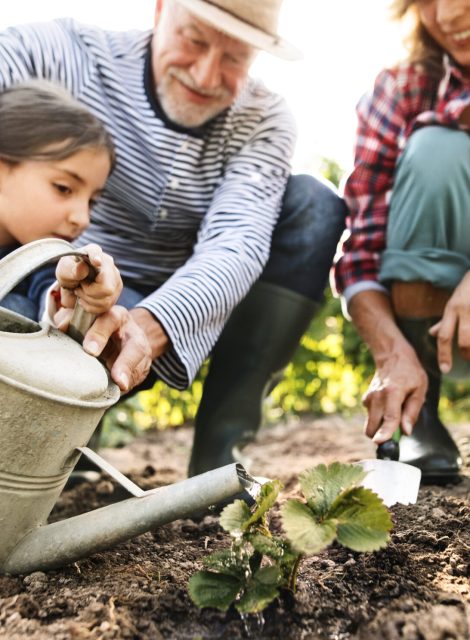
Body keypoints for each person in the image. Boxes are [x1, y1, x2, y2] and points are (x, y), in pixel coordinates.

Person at [0, 0, 346, 477]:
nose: (206, 75)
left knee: (314, 204)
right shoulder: (67, 55)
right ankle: (63, 416)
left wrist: (140, 332)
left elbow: (236, 244)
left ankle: (220, 456)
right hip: (56, 293)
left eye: (234, 57)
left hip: (166, 308)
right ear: (161, 10)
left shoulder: (264, 119)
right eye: (195, 40)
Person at [334, 0, 470, 484]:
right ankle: (421, 406)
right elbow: (361, 252)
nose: (449, 15)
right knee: (437, 150)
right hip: (447, 330)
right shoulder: (401, 86)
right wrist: (393, 354)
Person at [0, 81, 152, 393]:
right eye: (64, 188)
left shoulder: (38, 260)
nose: (82, 218)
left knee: (24, 318)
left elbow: (49, 298)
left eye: (91, 201)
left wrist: (73, 294)